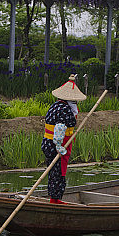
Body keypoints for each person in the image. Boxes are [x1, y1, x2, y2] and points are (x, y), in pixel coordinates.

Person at [42, 75, 86, 204]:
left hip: (48, 143)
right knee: (58, 172)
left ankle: (54, 198)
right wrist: (59, 146)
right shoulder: (65, 109)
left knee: (53, 171)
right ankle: (55, 199)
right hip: (56, 144)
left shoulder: (55, 106)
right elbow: (60, 128)